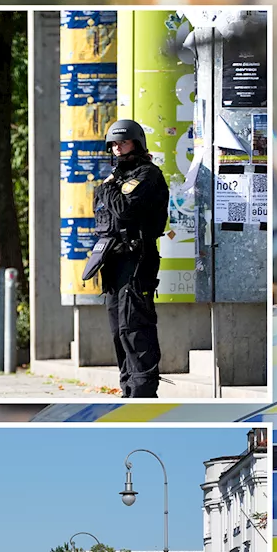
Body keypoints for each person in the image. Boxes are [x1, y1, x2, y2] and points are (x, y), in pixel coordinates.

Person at [83, 119, 170, 398]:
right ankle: (128, 387)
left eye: (123, 142)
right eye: (114, 144)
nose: (118, 148)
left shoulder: (148, 175)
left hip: (137, 260)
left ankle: (144, 390)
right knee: (118, 329)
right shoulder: (117, 179)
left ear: (137, 143)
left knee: (135, 326)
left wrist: (108, 189)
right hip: (114, 262)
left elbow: (123, 211)